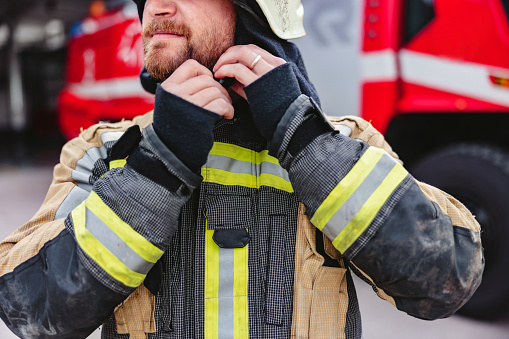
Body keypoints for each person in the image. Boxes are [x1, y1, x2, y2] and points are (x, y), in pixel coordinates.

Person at [0, 0, 484, 338]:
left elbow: (446, 279)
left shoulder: (344, 147)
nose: (154, 10)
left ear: (254, 10)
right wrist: (158, 166)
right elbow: (32, 310)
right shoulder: (104, 151)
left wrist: (303, 140)